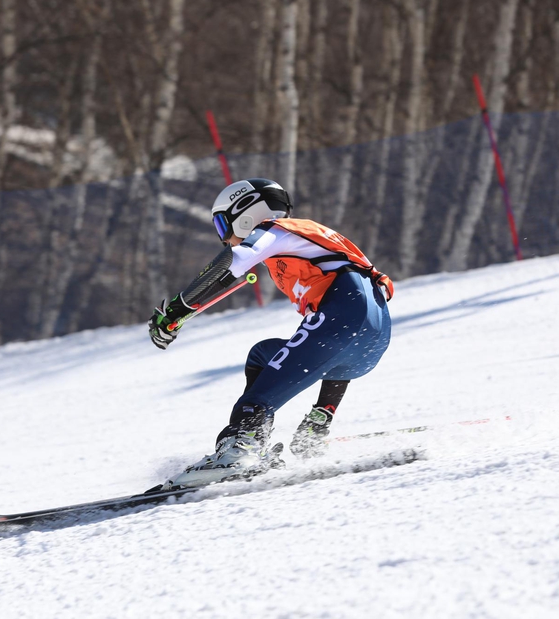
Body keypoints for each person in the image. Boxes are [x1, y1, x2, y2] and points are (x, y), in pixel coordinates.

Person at [148, 178, 394, 488]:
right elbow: (337, 347)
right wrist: (322, 413)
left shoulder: (274, 231)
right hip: (371, 342)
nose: (224, 238)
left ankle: (242, 447)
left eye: (224, 225)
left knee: (253, 403)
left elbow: (230, 263)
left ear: (245, 212)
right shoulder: (313, 240)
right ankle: (272, 436)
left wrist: (176, 311)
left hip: (343, 318)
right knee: (264, 354)